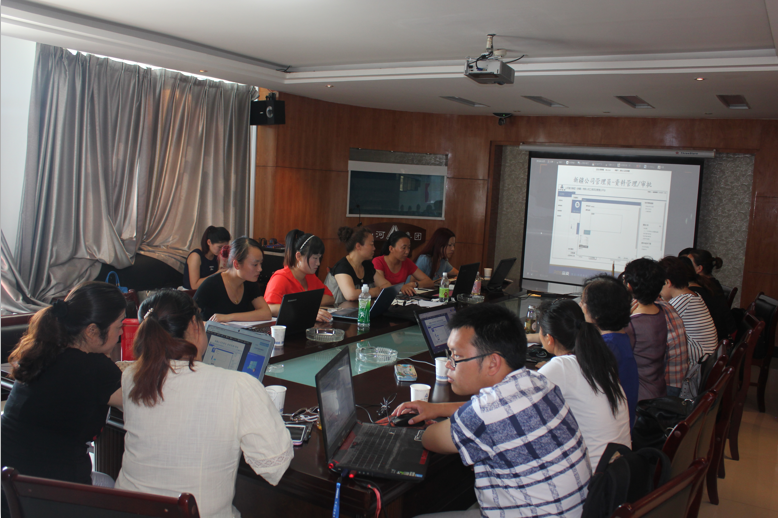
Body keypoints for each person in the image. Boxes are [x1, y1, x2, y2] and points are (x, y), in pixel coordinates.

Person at [393, 304, 590, 518]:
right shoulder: (540, 382)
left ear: (493, 362)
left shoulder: (485, 413)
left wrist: (435, 423)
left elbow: (430, 438)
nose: (449, 364)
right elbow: (497, 413)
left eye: (456, 356)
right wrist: (437, 409)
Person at [115, 290, 292, 518]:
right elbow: (275, 465)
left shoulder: (132, 376)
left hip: (126, 510)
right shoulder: (238, 385)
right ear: (194, 325)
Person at [1, 282, 126, 485]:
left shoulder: (43, 349)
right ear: (92, 331)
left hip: (10, 484)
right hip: (50, 490)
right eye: (119, 325)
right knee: (114, 486)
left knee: (106, 481)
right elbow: (140, 400)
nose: (121, 332)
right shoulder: (94, 367)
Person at [535, 299, 631, 467]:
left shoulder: (561, 366)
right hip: (622, 469)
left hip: (595, 474)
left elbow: (522, 401)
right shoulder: (598, 360)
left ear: (549, 338)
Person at [580, 274, 640, 428]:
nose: (580, 305)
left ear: (598, 312)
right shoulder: (619, 337)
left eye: (583, 302)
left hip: (612, 427)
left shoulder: (607, 346)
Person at [621, 258, 671, 401]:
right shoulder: (660, 312)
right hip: (657, 390)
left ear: (629, 286)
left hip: (637, 397)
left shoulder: (632, 324)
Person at [194, 237, 273, 322]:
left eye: (260, 263)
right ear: (236, 264)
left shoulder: (249, 282)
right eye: (255, 264)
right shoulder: (211, 284)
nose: (260, 269)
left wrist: (229, 317)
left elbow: (266, 313)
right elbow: (188, 318)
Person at [659, 256, 718, 365]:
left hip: (698, 363)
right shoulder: (692, 295)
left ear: (668, 282)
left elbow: (656, 323)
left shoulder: (682, 301)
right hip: (707, 358)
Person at [264, 229, 334, 322]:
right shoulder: (280, 278)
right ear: (298, 256)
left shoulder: (310, 276)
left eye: (319, 258)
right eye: (315, 258)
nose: (318, 263)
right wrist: (305, 310)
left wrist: (305, 305)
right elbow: (269, 308)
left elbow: (330, 298)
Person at [326, 226, 390, 306]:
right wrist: (373, 292)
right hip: (338, 312)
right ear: (358, 246)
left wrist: (376, 290)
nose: (374, 248)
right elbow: (351, 295)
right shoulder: (342, 267)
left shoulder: (367, 265)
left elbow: (387, 285)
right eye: (371, 244)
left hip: (361, 310)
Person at [678, 252, 736, 338]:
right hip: (718, 335)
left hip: (717, 337)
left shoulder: (695, 292)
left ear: (699, 268)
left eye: (688, 263)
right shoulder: (710, 283)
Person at [372, 230, 434, 296]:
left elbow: (430, 282)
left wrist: (414, 284)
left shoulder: (407, 262)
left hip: (401, 299)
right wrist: (400, 287)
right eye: (403, 248)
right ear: (391, 248)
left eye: (408, 248)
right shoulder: (378, 261)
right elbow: (382, 287)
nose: (407, 251)